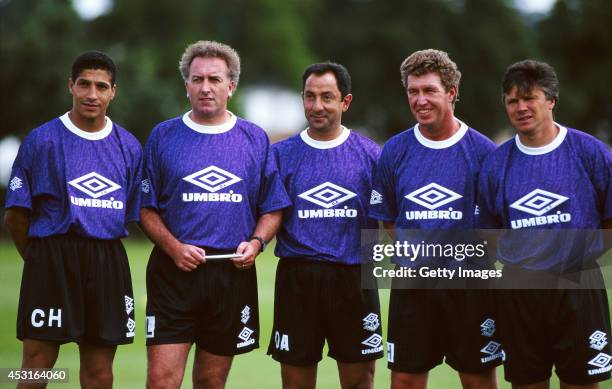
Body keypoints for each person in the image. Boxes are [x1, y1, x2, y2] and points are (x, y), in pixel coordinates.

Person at [140, 40, 290, 389]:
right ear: (186, 85)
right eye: (197, 79)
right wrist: (174, 248)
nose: (205, 87)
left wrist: (256, 243)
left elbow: (272, 207)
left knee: (210, 381)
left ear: (231, 85)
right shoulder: (163, 136)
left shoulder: (253, 138)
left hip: (229, 277)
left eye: (215, 79)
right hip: (172, 275)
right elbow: (144, 208)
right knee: (161, 380)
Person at [4, 51, 142, 388]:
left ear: (113, 92)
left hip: (106, 261)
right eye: (84, 85)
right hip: (51, 258)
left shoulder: (129, 146)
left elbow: (135, 211)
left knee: (98, 373)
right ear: (71, 86)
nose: (92, 94)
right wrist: (39, 259)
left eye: (101, 86)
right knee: (35, 367)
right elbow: (16, 215)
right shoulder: (42, 140)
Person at [369, 49, 501, 388]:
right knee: (404, 382)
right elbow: (388, 218)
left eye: (429, 90)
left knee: (477, 381)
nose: (420, 100)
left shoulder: (484, 152)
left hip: (470, 286)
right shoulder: (395, 151)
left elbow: (496, 226)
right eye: (413, 91)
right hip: (413, 287)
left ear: (452, 93)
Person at [478, 59, 612, 388]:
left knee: (581, 382)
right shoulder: (497, 163)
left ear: (550, 100)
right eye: (513, 100)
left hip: (577, 286)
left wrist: (578, 256)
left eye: (529, 98)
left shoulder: (590, 152)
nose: (521, 107)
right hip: (520, 292)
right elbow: (489, 231)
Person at [267, 62, 383, 388]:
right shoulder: (280, 155)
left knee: (360, 382)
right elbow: (269, 213)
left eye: (327, 97)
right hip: (297, 279)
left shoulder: (371, 155)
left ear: (345, 102)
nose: (317, 106)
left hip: (354, 278)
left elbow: (389, 219)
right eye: (310, 96)